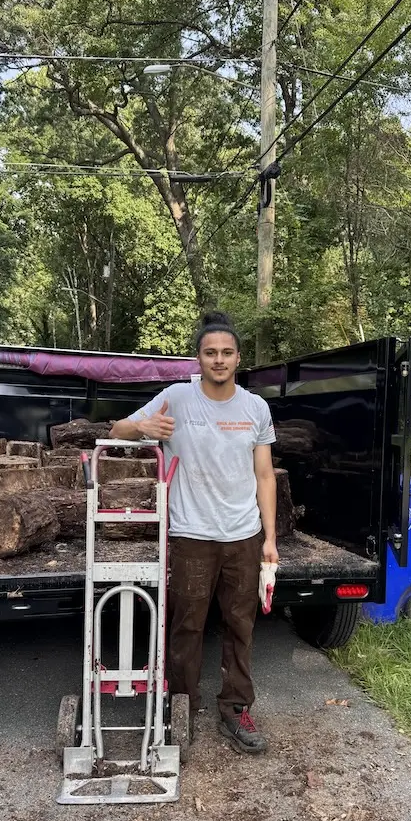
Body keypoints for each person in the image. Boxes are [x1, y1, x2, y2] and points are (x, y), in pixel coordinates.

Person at [109, 311, 278, 754]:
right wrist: (143, 427)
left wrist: (271, 540)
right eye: (210, 353)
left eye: (226, 353)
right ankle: (179, 707)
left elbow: (264, 476)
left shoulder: (255, 407)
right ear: (198, 358)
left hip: (243, 535)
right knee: (186, 624)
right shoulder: (176, 399)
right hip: (191, 535)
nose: (218, 360)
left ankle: (236, 708)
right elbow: (116, 431)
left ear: (238, 358)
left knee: (240, 624)